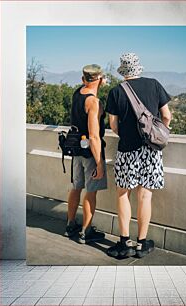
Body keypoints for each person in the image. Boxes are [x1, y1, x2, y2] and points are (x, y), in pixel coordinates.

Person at [105, 53, 172, 258]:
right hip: (151, 150)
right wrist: (155, 134)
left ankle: (125, 243)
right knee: (145, 196)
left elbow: (114, 125)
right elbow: (167, 116)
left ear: (123, 70)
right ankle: (142, 244)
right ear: (138, 68)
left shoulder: (116, 91)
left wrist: (127, 135)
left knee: (123, 194)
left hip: (127, 150)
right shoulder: (154, 85)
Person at [64, 64, 107, 244]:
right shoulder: (93, 102)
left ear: (83, 79)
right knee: (91, 192)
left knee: (76, 187)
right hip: (89, 152)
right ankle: (85, 231)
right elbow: (94, 136)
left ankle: (70, 224)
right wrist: (99, 163)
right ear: (100, 80)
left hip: (75, 149)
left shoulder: (77, 93)